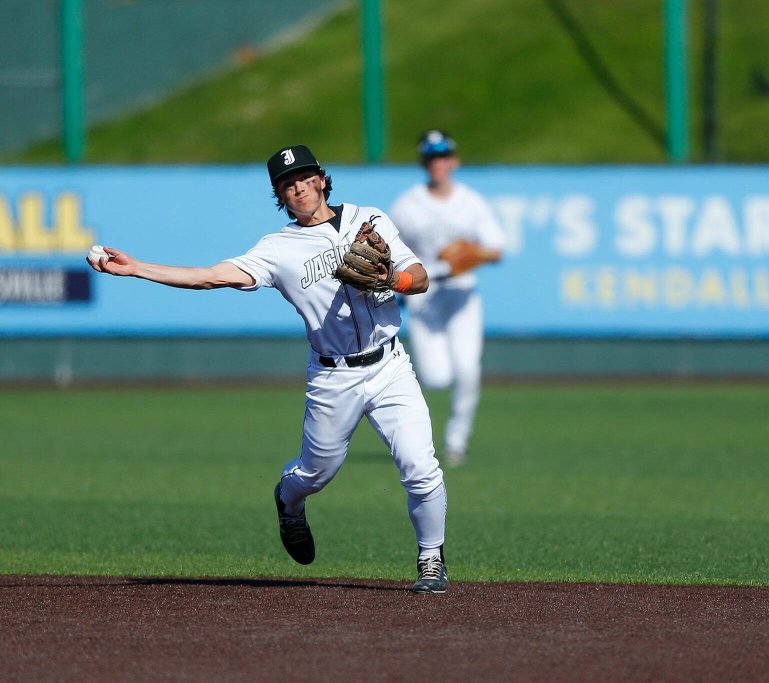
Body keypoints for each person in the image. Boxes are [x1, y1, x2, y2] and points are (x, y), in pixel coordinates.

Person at [86, 145, 449, 594]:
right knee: (316, 474)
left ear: (321, 179)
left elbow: (421, 276)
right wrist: (138, 268)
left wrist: (393, 280)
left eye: (304, 177)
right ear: (281, 195)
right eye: (287, 184)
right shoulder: (278, 249)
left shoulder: (369, 219)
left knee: (420, 465)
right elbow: (210, 276)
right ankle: (288, 498)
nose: (298, 187)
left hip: (390, 365)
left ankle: (431, 558)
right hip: (333, 376)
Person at [389, 130, 505, 467]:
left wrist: (473, 253)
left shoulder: (470, 201)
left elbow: (496, 250)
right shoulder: (408, 205)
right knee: (437, 377)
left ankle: (456, 441)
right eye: (431, 158)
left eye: (442, 156)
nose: (437, 163)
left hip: (462, 294)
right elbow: (392, 249)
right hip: (424, 297)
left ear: (454, 161)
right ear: (424, 163)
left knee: (468, 369)